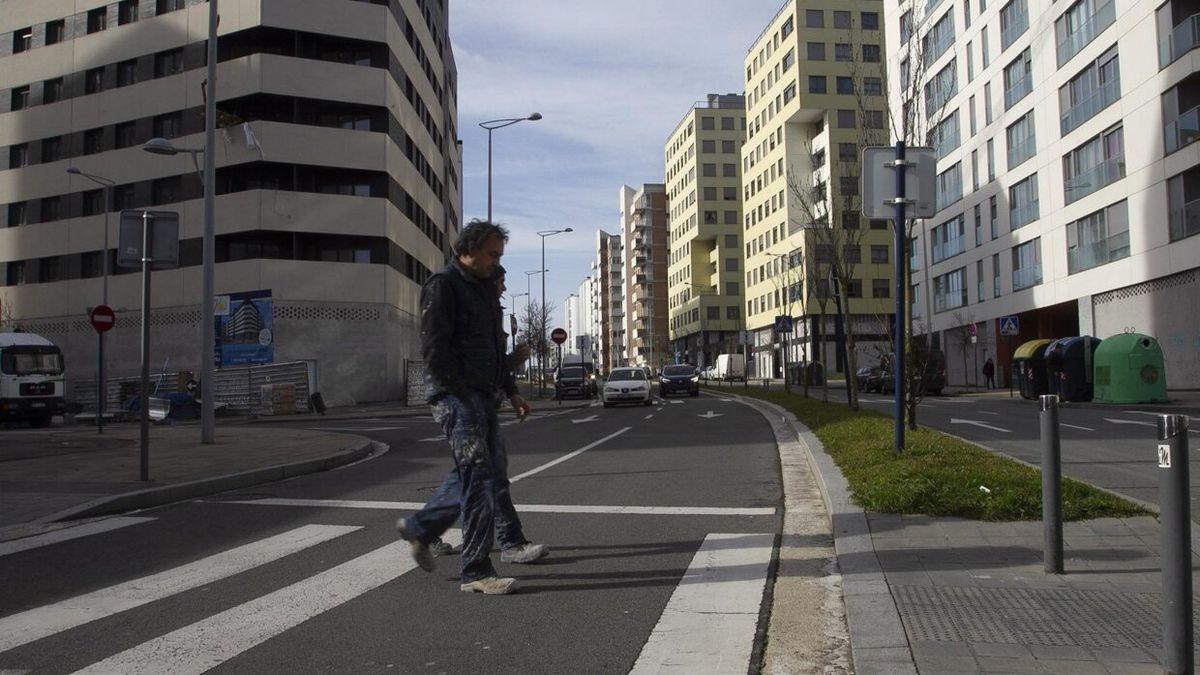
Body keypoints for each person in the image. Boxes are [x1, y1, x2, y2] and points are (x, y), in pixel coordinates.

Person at [396, 220, 545, 595]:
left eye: (499, 256)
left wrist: (512, 392)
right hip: (458, 398)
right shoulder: (444, 286)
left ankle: (421, 528)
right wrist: (461, 393)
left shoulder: (483, 292)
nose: (496, 263)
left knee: (487, 473)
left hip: (482, 395)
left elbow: (494, 351)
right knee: (478, 476)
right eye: (492, 255)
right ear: (471, 249)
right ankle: (476, 570)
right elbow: (434, 351)